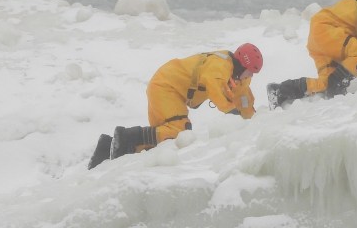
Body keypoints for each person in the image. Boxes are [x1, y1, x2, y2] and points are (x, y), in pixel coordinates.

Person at [88, 42, 263, 169]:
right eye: (250, 71)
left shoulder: (240, 77)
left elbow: (244, 100)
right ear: (242, 63)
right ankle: (124, 137)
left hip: (171, 91)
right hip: (165, 86)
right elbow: (215, 88)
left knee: (163, 142)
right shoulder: (220, 66)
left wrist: (252, 122)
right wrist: (231, 113)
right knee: (180, 131)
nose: (251, 76)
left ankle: (107, 149)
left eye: (253, 73)